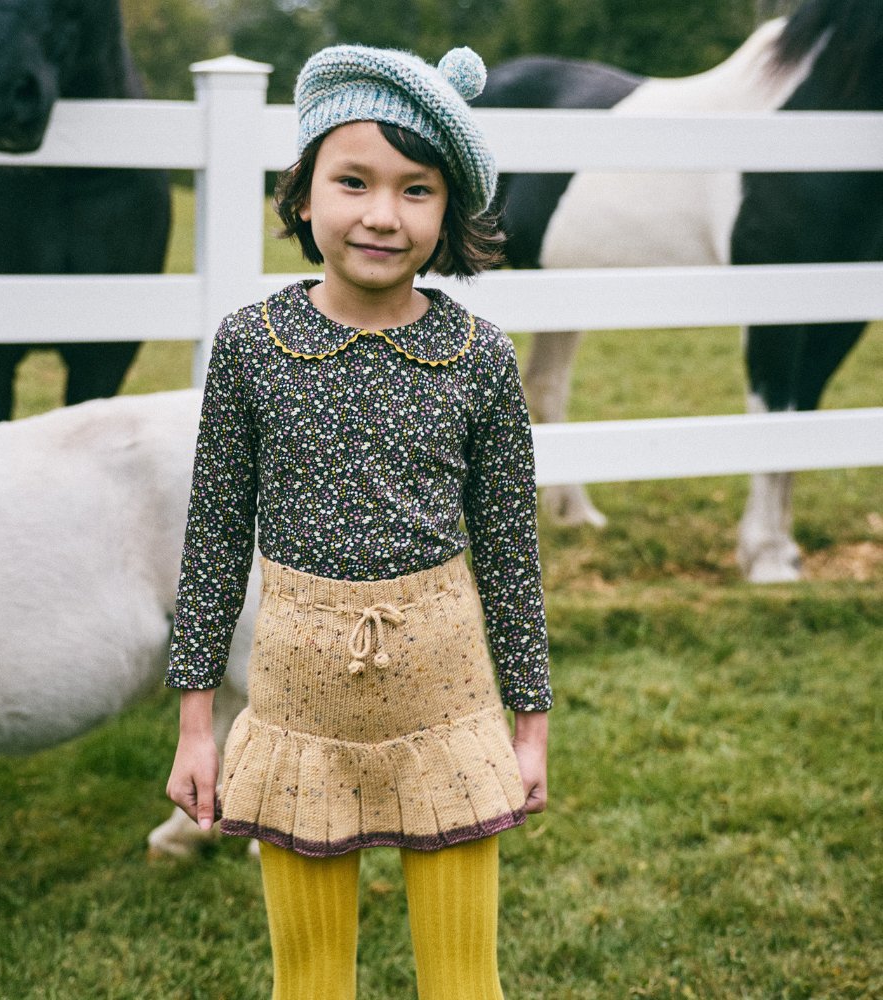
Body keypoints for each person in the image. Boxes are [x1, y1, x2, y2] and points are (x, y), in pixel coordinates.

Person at [165, 43, 552, 1000]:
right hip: (297, 699)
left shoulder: (480, 357)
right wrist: (195, 724)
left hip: (447, 697)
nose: (382, 214)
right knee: (310, 982)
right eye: (353, 181)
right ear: (303, 195)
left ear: (450, 211)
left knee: (464, 981)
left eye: (417, 191)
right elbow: (214, 536)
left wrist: (531, 721)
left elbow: (510, 551)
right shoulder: (252, 347)